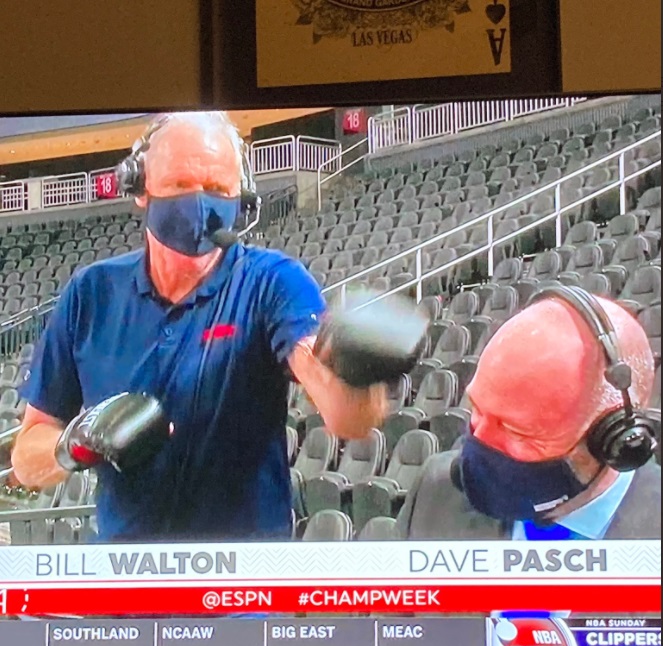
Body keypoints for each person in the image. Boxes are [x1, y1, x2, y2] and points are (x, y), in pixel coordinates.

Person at [12, 111, 424, 542]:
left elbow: (345, 417)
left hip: (244, 585)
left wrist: (359, 372)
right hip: (127, 580)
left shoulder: (273, 281)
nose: (198, 204)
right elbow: (26, 458)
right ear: (139, 186)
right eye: (179, 185)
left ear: (240, 197)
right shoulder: (90, 293)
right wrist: (77, 446)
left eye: (216, 189)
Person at [397, 287, 661, 540]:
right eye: (477, 410)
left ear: (613, 438)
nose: (481, 439)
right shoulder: (434, 494)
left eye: (516, 430)